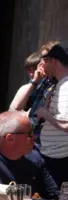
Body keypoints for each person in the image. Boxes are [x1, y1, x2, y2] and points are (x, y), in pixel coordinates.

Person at [36, 42, 68, 187]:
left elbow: (66, 124)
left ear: (54, 61)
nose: (43, 65)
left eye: (46, 60)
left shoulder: (66, 87)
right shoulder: (60, 84)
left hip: (58, 158)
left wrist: (45, 113)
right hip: (53, 155)